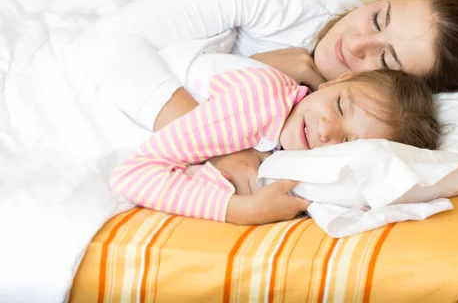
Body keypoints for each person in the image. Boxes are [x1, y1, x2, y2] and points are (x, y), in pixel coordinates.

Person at [71, 0, 458, 136]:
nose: (356, 43)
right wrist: (223, 149)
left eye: (386, 60)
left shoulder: (352, 120)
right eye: (378, 17)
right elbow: (109, 39)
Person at [110, 66, 440, 225]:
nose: (327, 131)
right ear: (335, 80)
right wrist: (239, 210)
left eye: (348, 142)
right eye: (340, 106)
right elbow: (133, 174)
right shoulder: (259, 100)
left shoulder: (292, 152)